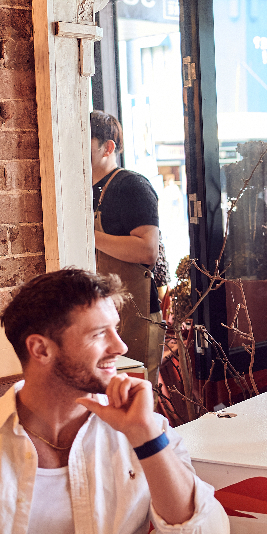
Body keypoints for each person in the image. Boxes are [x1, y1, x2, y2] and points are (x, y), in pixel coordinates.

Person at [0, 269, 230, 534]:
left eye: (116, 330)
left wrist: (146, 439)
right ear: (40, 350)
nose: (120, 346)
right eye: (99, 334)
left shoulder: (145, 430)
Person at [90, 111, 165, 384]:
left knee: (138, 396)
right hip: (103, 315)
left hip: (137, 314)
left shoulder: (131, 185)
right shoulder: (81, 188)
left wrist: (88, 236)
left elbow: (148, 250)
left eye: (85, 140)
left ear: (108, 147)